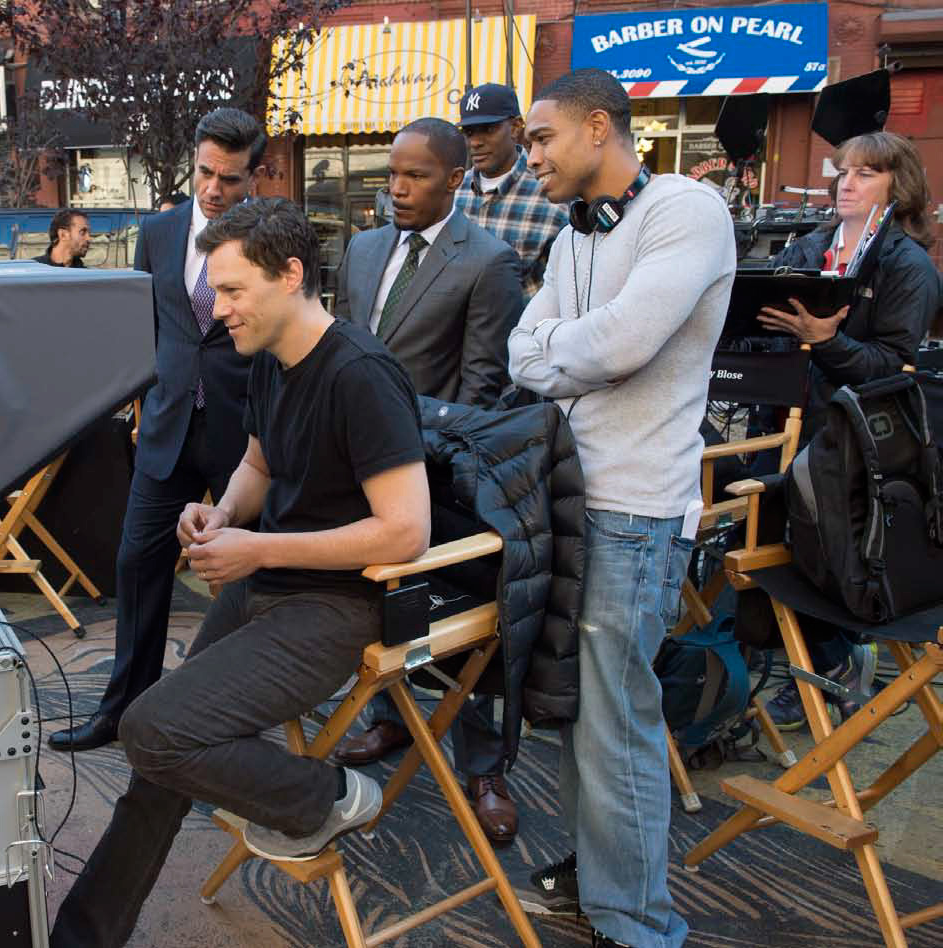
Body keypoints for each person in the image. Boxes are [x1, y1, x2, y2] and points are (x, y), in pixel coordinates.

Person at [49, 197, 429, 948]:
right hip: (273, 586)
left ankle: (328, 797)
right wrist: (222, 514)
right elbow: (258, 463)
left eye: (231, 291)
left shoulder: (360, 374)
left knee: (151, 729)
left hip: (340, 605)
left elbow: (407, 530)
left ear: (291, 275)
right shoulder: (269, 359)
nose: (216, 310)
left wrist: (259, 549)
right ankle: (83, 940)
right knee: (156, 756)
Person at [508, 69, 735, 948]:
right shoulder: (573, 239)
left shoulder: (686, 210)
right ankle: (603, 878)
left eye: (541, 139)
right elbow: (527, 351)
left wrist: (570, 352)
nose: (530, 158)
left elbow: (627, 342)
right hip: (573, 499)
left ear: (599, 128)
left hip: (637, 512)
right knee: (576, 714)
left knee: (619, 725)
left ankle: (638, 923)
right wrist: (578, 353)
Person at [330, 116, 526, 845]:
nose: (397, 189)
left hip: (441, 479)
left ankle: (484, 766)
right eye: (391, 174)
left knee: (459, 625)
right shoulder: (362, 247)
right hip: (356, 469)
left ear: (455, 179)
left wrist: (407, 450)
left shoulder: (489, 261)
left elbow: (482, 393)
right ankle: (390, 721)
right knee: (382, 605)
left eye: (414, 176)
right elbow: (343, 351)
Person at [49, 108, 268, 753]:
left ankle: (235, 720)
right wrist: (145, 408)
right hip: (168, 428)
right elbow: (150, 327)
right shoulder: (160, 232)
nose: (212, 189)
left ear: (251, 177)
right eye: (205, 173)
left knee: (244, 584)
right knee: (136, 566)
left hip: (242, 438)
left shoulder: (266, 238)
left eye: (228, 179)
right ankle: (124, 711)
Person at [757, 130, 940, 731]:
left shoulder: (906, 265)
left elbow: (892, 367)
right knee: (767, 539)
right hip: (781, 415)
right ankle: (795, 658)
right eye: (843, 171)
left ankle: (836, 660)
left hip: (854, 440)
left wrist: (827, 341)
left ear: (898, 185)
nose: (847, 183)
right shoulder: (809, 246)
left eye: (866, 173)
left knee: (824, 549)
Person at [456, 82, 570, 298]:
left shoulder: (552, 195)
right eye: (469, 132)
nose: (476, 142)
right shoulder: (453, 192)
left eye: (488, 129)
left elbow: (563, 292)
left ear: (516, 127)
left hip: (522, 327)